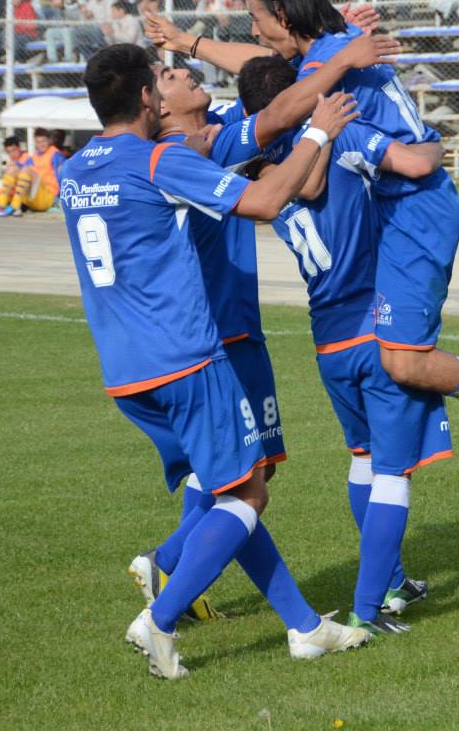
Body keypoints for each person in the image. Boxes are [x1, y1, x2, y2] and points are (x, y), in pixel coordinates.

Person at [145, 0, 459, 481]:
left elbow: (286, 95)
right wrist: (190, 42)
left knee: (402, 363)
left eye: (256, 16)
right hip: (394, 204)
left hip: (415, 207)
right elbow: (266, 72)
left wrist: (429, 147)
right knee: (390, 365)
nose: (254, 29)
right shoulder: (329, 54)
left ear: (285, 15)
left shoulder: (333, 58)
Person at [63, 43, 368, 680]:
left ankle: (306, 627)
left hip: (124, 370)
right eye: (164, 77)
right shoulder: (158, 162)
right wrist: (319, 129)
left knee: (232, 487)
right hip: (185, 357)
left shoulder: (74, 168)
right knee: (249, 491)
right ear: (149, 98)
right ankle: (162, 614)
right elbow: (262, 202)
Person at [130, 32, 402, 622]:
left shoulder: (211, 129)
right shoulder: (194, 151)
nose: (182, 75)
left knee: (249, 470)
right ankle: (170, 572)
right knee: (245, 478)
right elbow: (285, 124)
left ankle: (182, 570)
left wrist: (332, 40)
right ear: (157, 107)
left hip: (231, 325)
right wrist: (338, 73)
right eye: (169, 76)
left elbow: (265, 81)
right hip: (219, 331)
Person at [239, 54, 450, 633]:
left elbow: (301, 183)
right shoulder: (342, 132)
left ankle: (389, 582)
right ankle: (369, 606)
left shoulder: (262, 175)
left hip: (327, 341)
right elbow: (409, 162)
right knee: (393, 472)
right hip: (375, 327)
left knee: (363, 459)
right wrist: (435, 147)